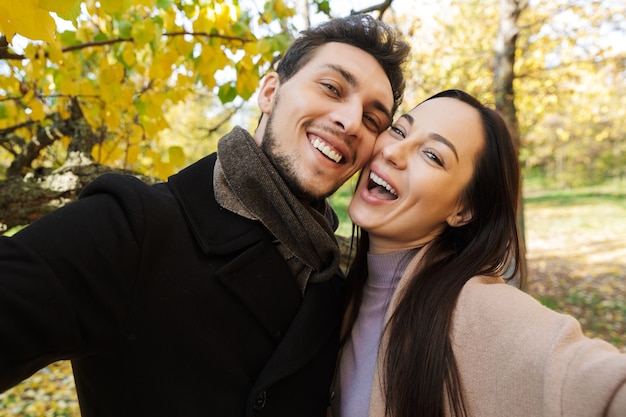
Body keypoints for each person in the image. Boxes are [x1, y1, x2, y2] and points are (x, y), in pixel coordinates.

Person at [0, 15, 410, 417]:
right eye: (331, 88)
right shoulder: (134, 225)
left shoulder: (334, 291)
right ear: (269, 91)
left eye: (373, 119)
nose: (351, 121)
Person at [331, 89, 626, 417]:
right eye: (399, 130)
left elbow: (599, 382)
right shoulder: (336, 287)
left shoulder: (475, 309)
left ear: (463, 210)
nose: (394, 152)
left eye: (432, 155)